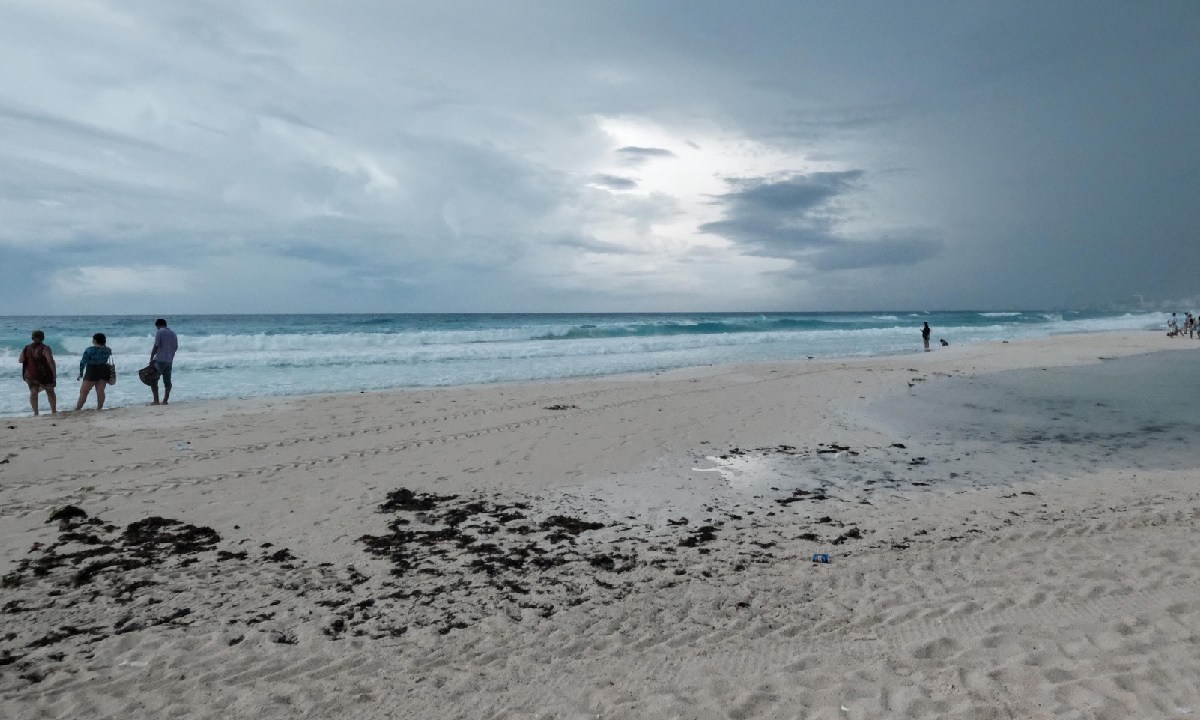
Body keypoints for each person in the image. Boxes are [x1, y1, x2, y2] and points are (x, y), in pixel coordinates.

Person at [18, 329, 57, 415]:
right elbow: (50, 361)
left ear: (32, 337)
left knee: (33, 392)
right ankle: (53, 411)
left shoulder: (26, 348)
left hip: (31, 374)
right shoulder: (45, 348)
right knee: (50, 391)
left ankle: (36, 413)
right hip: (44, 374)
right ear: (43, 338)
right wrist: (54, 375)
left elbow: (21, 360)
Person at [75, 333, 113, 411]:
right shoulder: (108, 350)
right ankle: (99, 408)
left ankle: (78, 409)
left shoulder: (90, 350)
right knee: (100, 391)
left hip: (92, 370)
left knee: (84, 392)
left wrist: (81, 373)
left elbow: (83, 362)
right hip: (103, 370)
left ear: (95, 340)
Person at [150, 318, 178, 405]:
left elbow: (156, 346)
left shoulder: (160, 332)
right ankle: (165, 400)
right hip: (169, 360)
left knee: (153, 380)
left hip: (160, 360)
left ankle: (156, 401)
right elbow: (175, 347)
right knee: (167, 381)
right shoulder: (173, 333)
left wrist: (151, 357)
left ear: (158, 325)